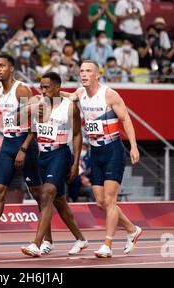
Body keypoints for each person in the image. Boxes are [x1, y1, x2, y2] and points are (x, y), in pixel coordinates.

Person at [0, 54, 54, 255]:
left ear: (11, 68)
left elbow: (37, 119)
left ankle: (47, 240)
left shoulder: (21, 89)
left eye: (2, 66)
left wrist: (23, 148)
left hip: (25, 144)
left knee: (38, 193)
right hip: (7, 143)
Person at [63, 60, 142, 258]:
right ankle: (132, 230)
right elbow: (70, 96)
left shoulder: (109, 95)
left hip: (113, 151)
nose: (84, 74)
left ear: (97, 75)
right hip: (95, 152)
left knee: (110, 200)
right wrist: (52, 93)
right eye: (81, 71)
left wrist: (133, 146)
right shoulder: (80, 94)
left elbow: (126, 120)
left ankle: (107, 244)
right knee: (101, 202)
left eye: (88, 71)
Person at [20, 72, 89, 257]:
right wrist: (24, 149)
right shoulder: (39, 104)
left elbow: (76, 135)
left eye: (46, 87)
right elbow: (32, 128)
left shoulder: (70, 107)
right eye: (40, 87)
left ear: (58, 87)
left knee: (47, 193)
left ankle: (37, 244)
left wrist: (75, 163)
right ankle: (80, 239)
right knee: (59, 202)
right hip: (41, 155)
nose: (42, 90)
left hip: (60, 153)